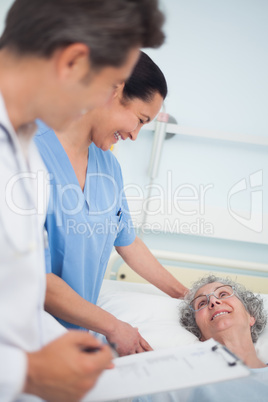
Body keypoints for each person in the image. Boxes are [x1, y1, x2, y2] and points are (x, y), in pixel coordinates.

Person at [0, 0, 165, 400]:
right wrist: (27, 371)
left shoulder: (23, 158)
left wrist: (65, 353)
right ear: (73, 62)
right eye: (110, 84)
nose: (105, 99)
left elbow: (18, 292)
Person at [34, 52, 189, 357]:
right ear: (114, 89)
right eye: (140, 120)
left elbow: (127, 241)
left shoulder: (108, 166)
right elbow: (34, 277)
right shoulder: (25, 152)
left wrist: (186, 295)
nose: (134, 135)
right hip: (23, 338)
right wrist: (114, 327)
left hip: (77, 338)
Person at [134, 275, 268, 401]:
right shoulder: (183, 379)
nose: (214, 301)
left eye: (223, 294)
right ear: (200, 334)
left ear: (250, 315)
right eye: (202, 303)